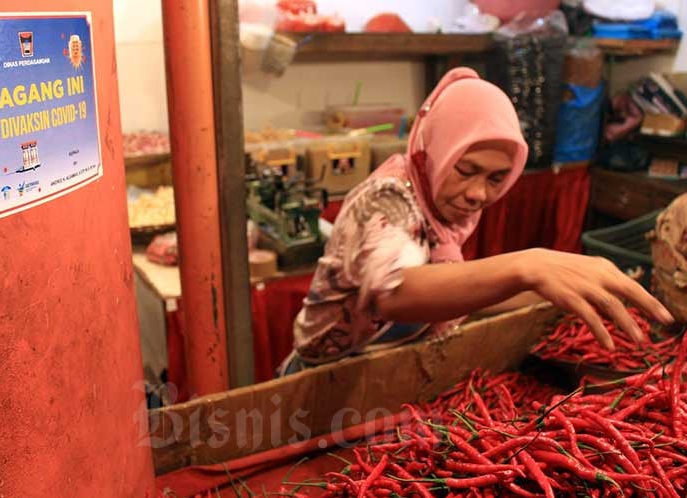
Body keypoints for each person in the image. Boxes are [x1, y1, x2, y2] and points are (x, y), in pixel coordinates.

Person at [278, 67, 674, 376]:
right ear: (434, 150)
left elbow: (461, 289)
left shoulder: (449, 207)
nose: (478, 194)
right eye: (465, 169)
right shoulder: (388, 198)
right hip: (320, 380)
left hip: (385, 369)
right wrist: (527, 265)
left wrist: (558, 290)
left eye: (496, 178)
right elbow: (393, 292)